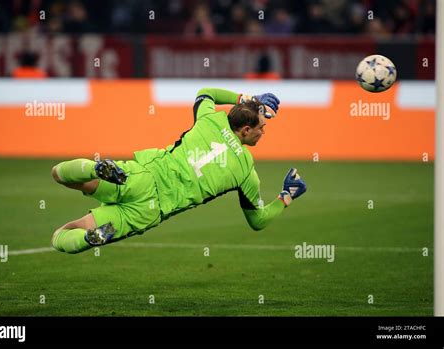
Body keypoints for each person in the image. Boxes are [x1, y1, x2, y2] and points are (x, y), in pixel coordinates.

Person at [51, 88, 307, 254]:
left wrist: (246, 99)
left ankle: (93, 167)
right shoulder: (246, 172)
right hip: (153, 207)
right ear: (246, 131)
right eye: (262, 127)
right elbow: (258, 221)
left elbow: (205, 93)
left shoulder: (210, 118)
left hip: (143, 175)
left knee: (59, 174)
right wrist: (286, 197)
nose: (264, 132)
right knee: (63, 235)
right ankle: (88, 240)